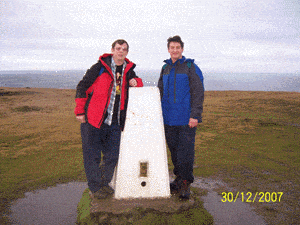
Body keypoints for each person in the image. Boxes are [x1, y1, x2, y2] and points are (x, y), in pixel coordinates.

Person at [74, 39, 143, 199]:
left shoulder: (128, 70)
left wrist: (136, 82)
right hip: (94, 120)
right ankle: (95, 187)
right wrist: (80, 111)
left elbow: (138, 82)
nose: (121, 51)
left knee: (112, 155)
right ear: (112, 50)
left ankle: (104, 184)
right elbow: (82, 87)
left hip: (115, 123)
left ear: (127, 52)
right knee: (92, 156)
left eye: (124, 49)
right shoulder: (99, 67)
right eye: (118, 48)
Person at [158, 35, 204, 199]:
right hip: (168, 120)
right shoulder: (165, 68)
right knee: (174, 151)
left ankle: (185, 183)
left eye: (178, 47)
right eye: (172, 47)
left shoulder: (191, 67)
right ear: (168, 49)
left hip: (186, 120)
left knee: (186, 152)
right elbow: (160, 92)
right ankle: (178, 179)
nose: (175, 50)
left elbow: (198, 92)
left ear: (182, 49)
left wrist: (195, 116)